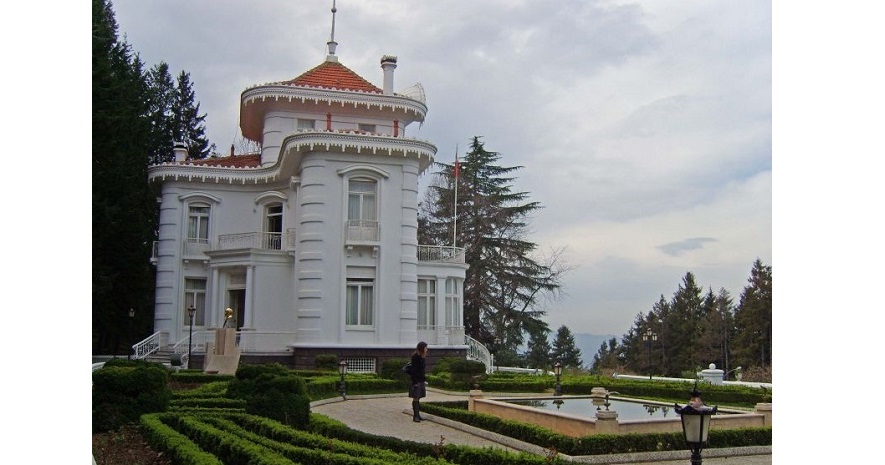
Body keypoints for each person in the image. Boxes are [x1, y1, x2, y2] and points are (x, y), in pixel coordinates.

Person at [409, 341, 428, 422]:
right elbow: (414, 370)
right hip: (416, 381)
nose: (427, 349)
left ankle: (418, 415)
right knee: (416, 398)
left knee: (418, 398)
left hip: (420, 380)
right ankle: (415, 416)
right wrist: (415, 382)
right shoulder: (416, 357)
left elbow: (422, 370)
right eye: (425, 347)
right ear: (422, 348)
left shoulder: (422, 357)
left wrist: (424, 379)